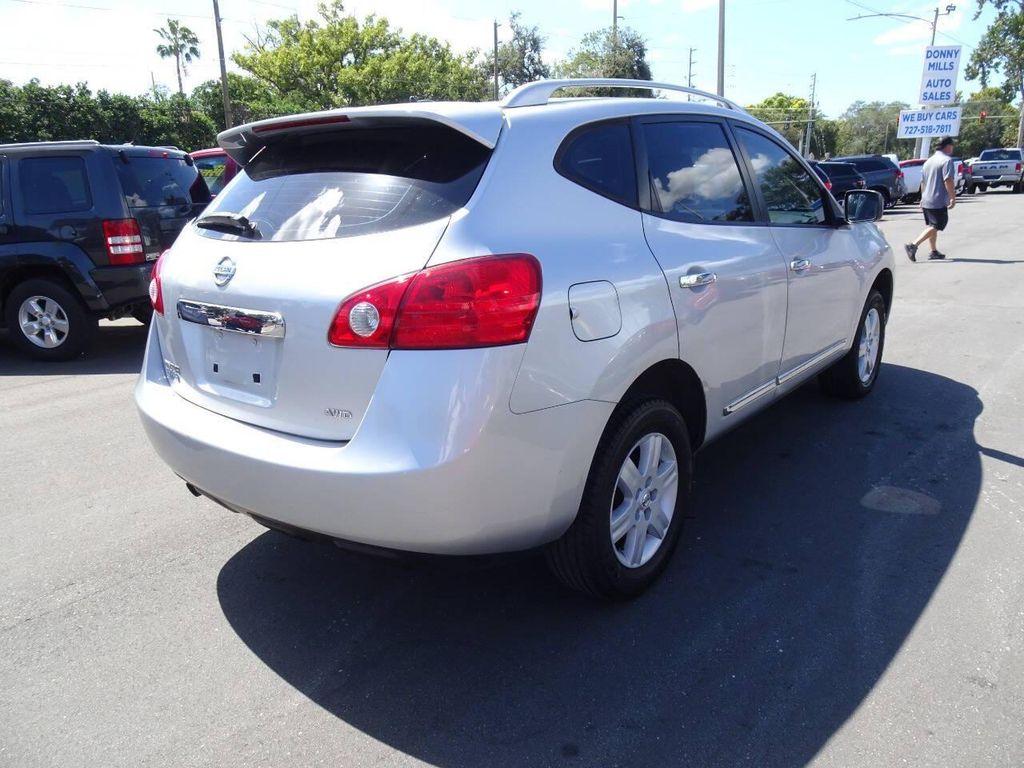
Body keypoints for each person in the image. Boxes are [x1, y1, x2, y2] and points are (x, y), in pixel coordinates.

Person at [904, 137, 956, 262]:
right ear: (948, 146)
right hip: (937, 200)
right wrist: (952, 197)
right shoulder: (946, 160)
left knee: (932, 225)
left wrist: (922, 198)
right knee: (937, 225)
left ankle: (933, 251)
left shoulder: (929, 161)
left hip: (927, 198)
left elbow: (923, 181)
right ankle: (913, 245)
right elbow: (948, 180)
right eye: (952, 145)